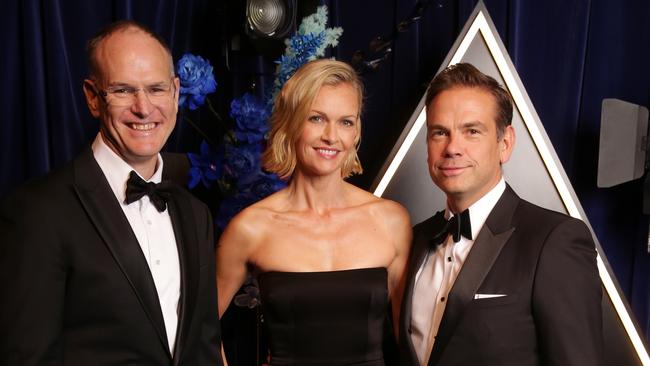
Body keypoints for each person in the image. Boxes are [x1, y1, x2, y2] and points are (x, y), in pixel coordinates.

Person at [0, 20, 222, 365]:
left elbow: (203, 350)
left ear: (176, 93)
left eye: (156, 89)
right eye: (123, 90)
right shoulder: (38, 211)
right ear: (92, 97)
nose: (144, 107)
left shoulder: (196, 214)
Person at [399, 63, 603, 366]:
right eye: (440, 132)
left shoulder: (555, 240)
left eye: (472, 131)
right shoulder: (412, 239)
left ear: (505, 144)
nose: (452, 148)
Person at [216, 59, 412, 366]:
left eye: (346, 122)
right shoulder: (251, 228)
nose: (331, 136)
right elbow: (198, 325)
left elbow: (410, 340)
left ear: (356, 131)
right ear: (292, 123)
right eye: (317, 118)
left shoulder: (391, 221)